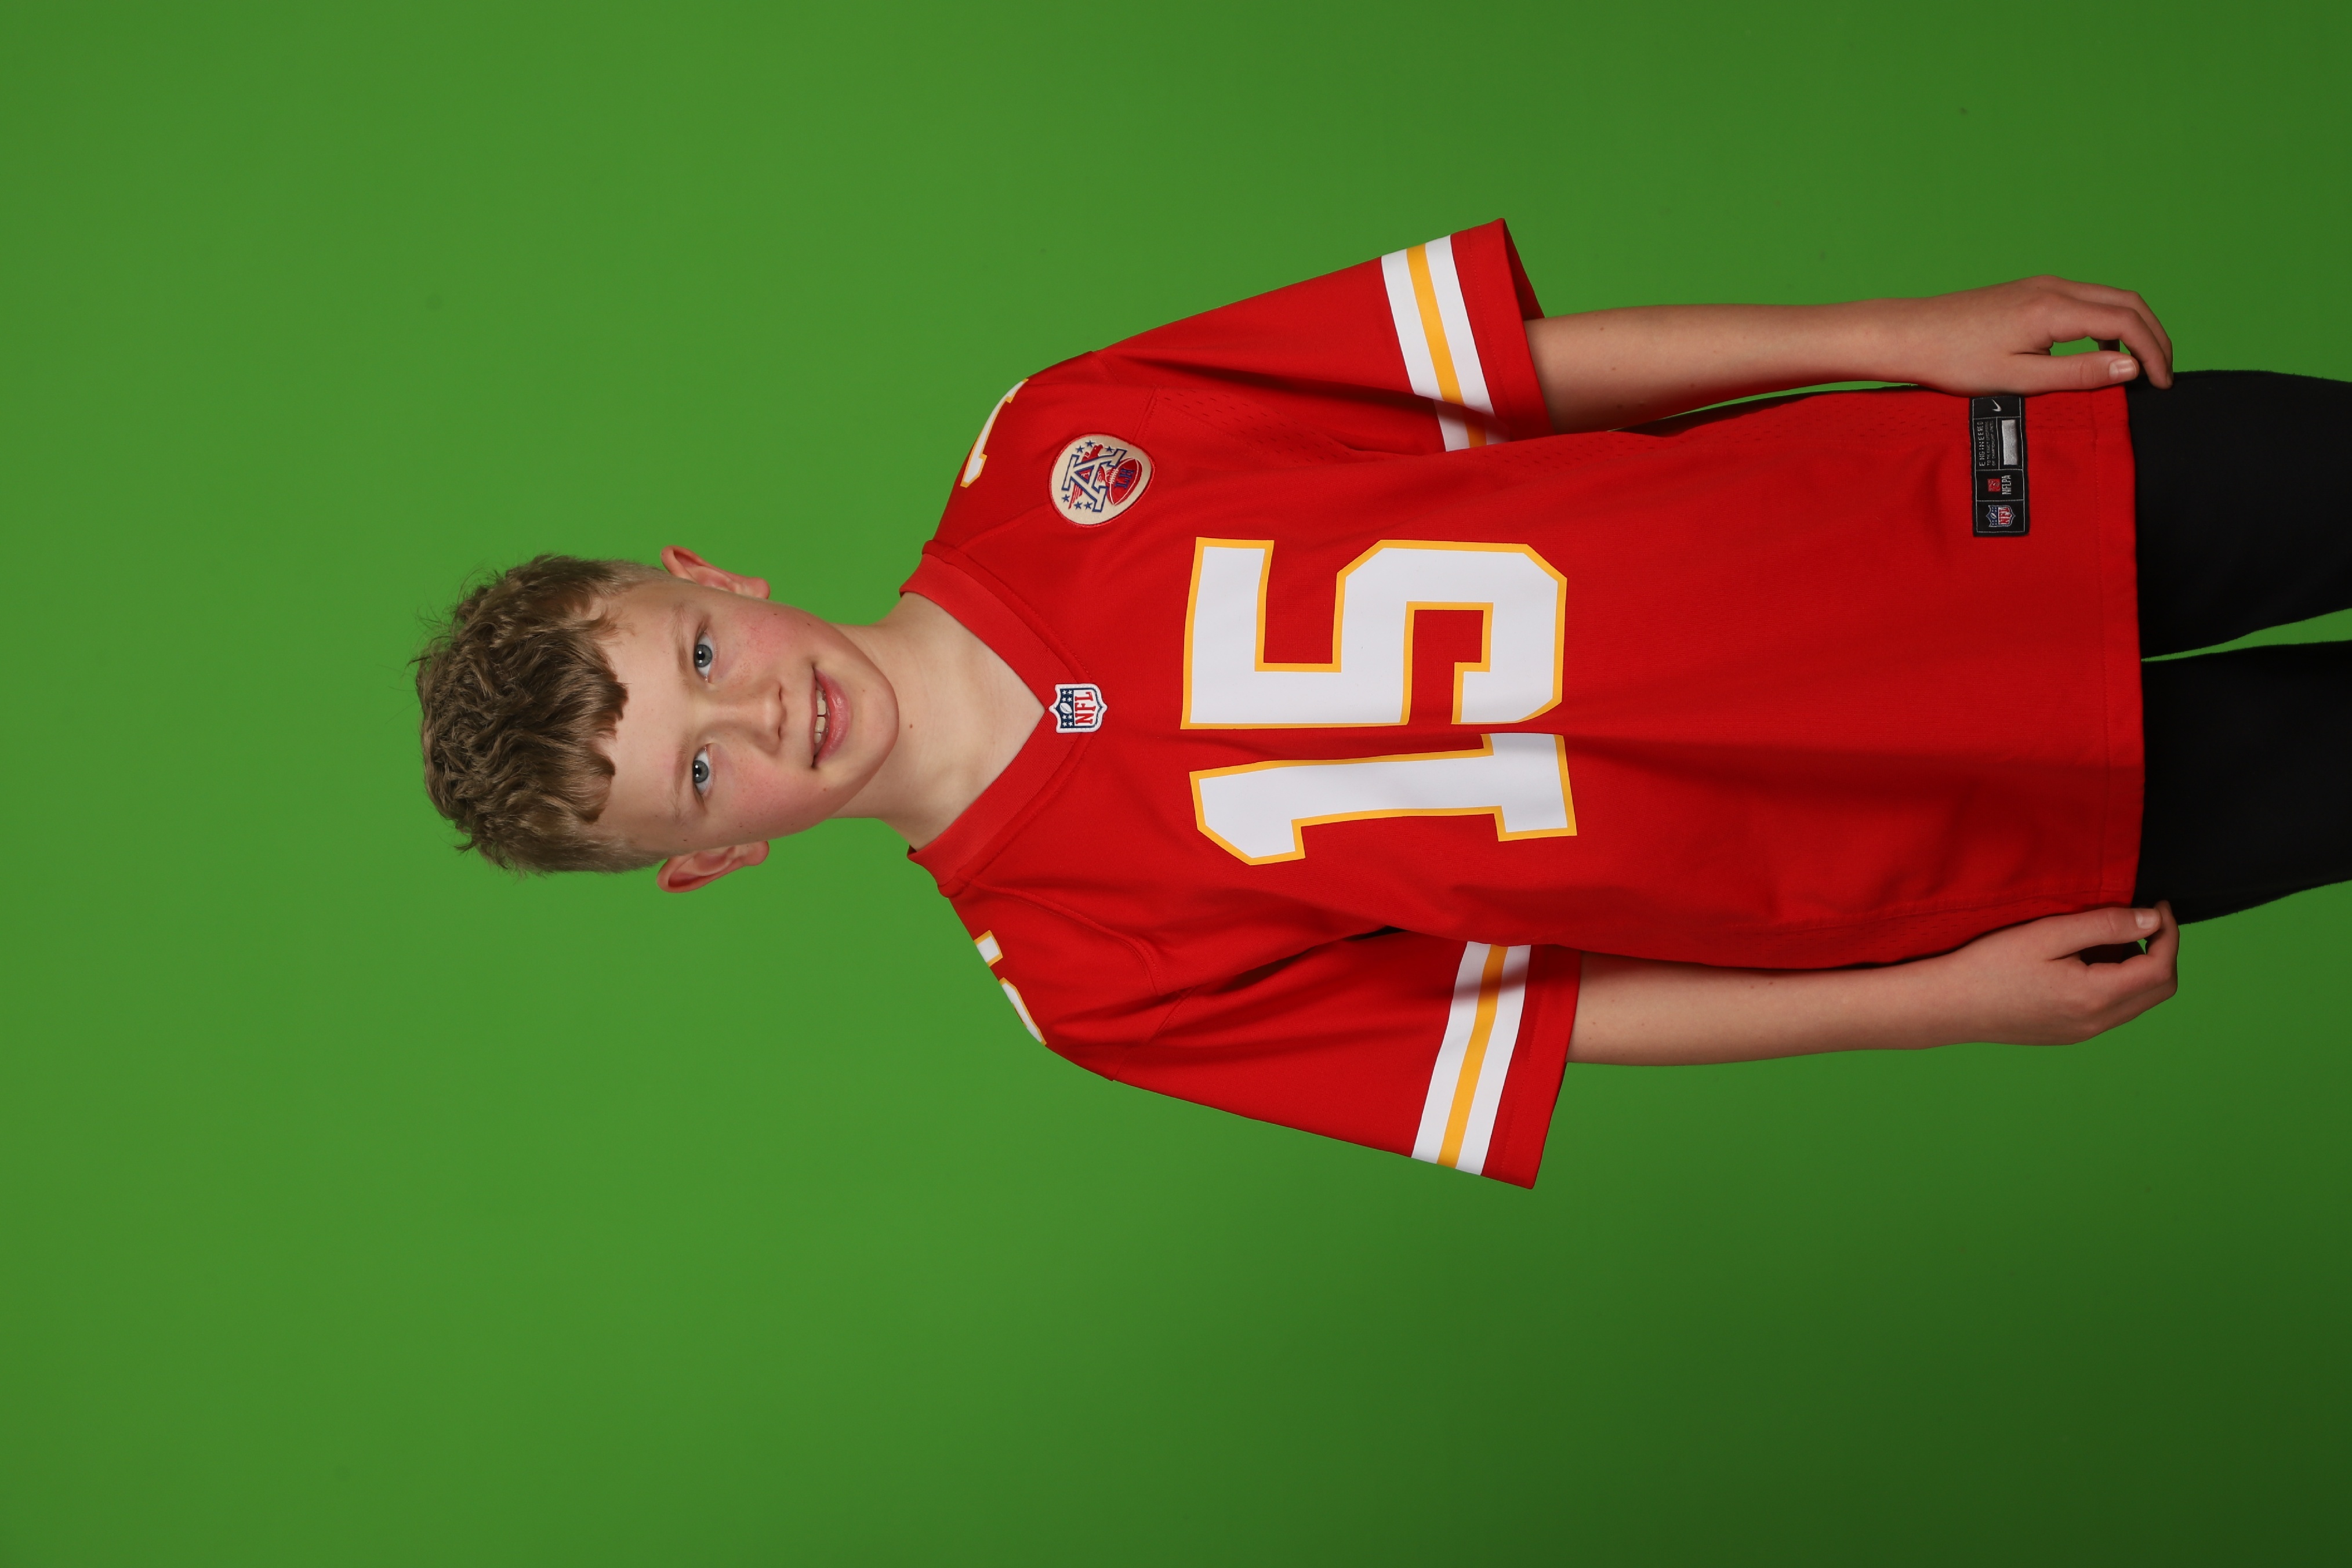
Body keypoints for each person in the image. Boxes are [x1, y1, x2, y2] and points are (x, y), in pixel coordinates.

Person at [415, 222, 2351, 1186]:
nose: (759, 723)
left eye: (699, 662)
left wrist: (1892, 335)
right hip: (1918, 847)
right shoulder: (1087, 981)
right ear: (714, 864)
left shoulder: (1060, 439)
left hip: (1917, 519)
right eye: (697, 779)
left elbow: (1510, 375)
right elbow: (1545, 1026)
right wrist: (1935, 1001)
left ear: (717, 580)